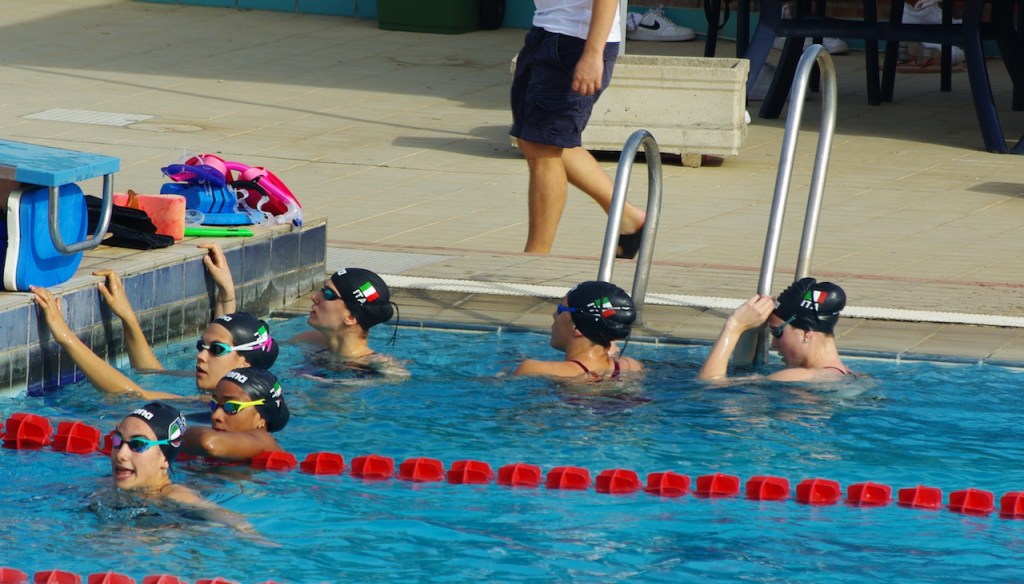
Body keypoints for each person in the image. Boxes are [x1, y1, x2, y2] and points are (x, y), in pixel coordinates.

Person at [510, 0, 647, 257]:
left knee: (545, 148)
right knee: (533, 140)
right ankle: (629, 218)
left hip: (575, 40)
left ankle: (534, 258)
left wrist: (592, 54)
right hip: (546, 29)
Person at [32, 270, 278, 400]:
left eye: (215, 350)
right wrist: (128, 317)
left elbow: (132, 394)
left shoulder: (219, 405)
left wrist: (66, 337)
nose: (201, 357)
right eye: (201, 346)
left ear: (244, 364)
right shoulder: (215, 396)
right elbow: (150, 372)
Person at [105, 401, 252, 530]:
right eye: (117, 441)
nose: (120, 454)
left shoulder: (177, 496)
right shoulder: (105, 487)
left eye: (138, 444)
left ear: (165, 458)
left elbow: (238, 524)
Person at [698, 277, 853, 382]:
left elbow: (710, 385)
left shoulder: (797, 377)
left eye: (777, 332)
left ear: (807, 333)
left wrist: (734, 326)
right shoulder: (850, 375)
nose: (774, 344)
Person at [290, 268, 408, 377]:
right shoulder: (307, 340)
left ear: (351, 317)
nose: (314, 296)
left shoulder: (383, 369)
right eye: (322, 290)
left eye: (328, 294)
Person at [514, 280, 642, 379]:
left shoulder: (533, 369)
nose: (554, 315)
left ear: (577, 326)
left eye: (560, 310)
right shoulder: (631, 366)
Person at [182, 367, 289, 462]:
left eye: (231, 407)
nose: (215, 416)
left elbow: (209, 442)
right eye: (214, 405)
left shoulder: (263, 439)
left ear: (261, 417)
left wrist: (173, 432)